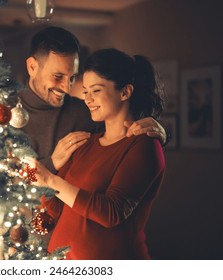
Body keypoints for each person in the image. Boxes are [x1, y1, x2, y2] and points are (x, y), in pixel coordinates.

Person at [31, 48, 166, 260]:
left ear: (125, 92)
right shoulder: (85, 142)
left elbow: (111, 212)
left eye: (96, 90)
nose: (88, 99)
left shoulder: (144, 146)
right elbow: (55, 207)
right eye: (85, 91)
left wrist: (50, 181)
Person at [17, 26, 166, 174]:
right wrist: (52, 163)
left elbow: (126, 143)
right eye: (57, 77)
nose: (66, 88)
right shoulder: (2, 114)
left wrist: (161, 132)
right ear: (32, 67)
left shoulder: (85, 112)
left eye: (72, 78)